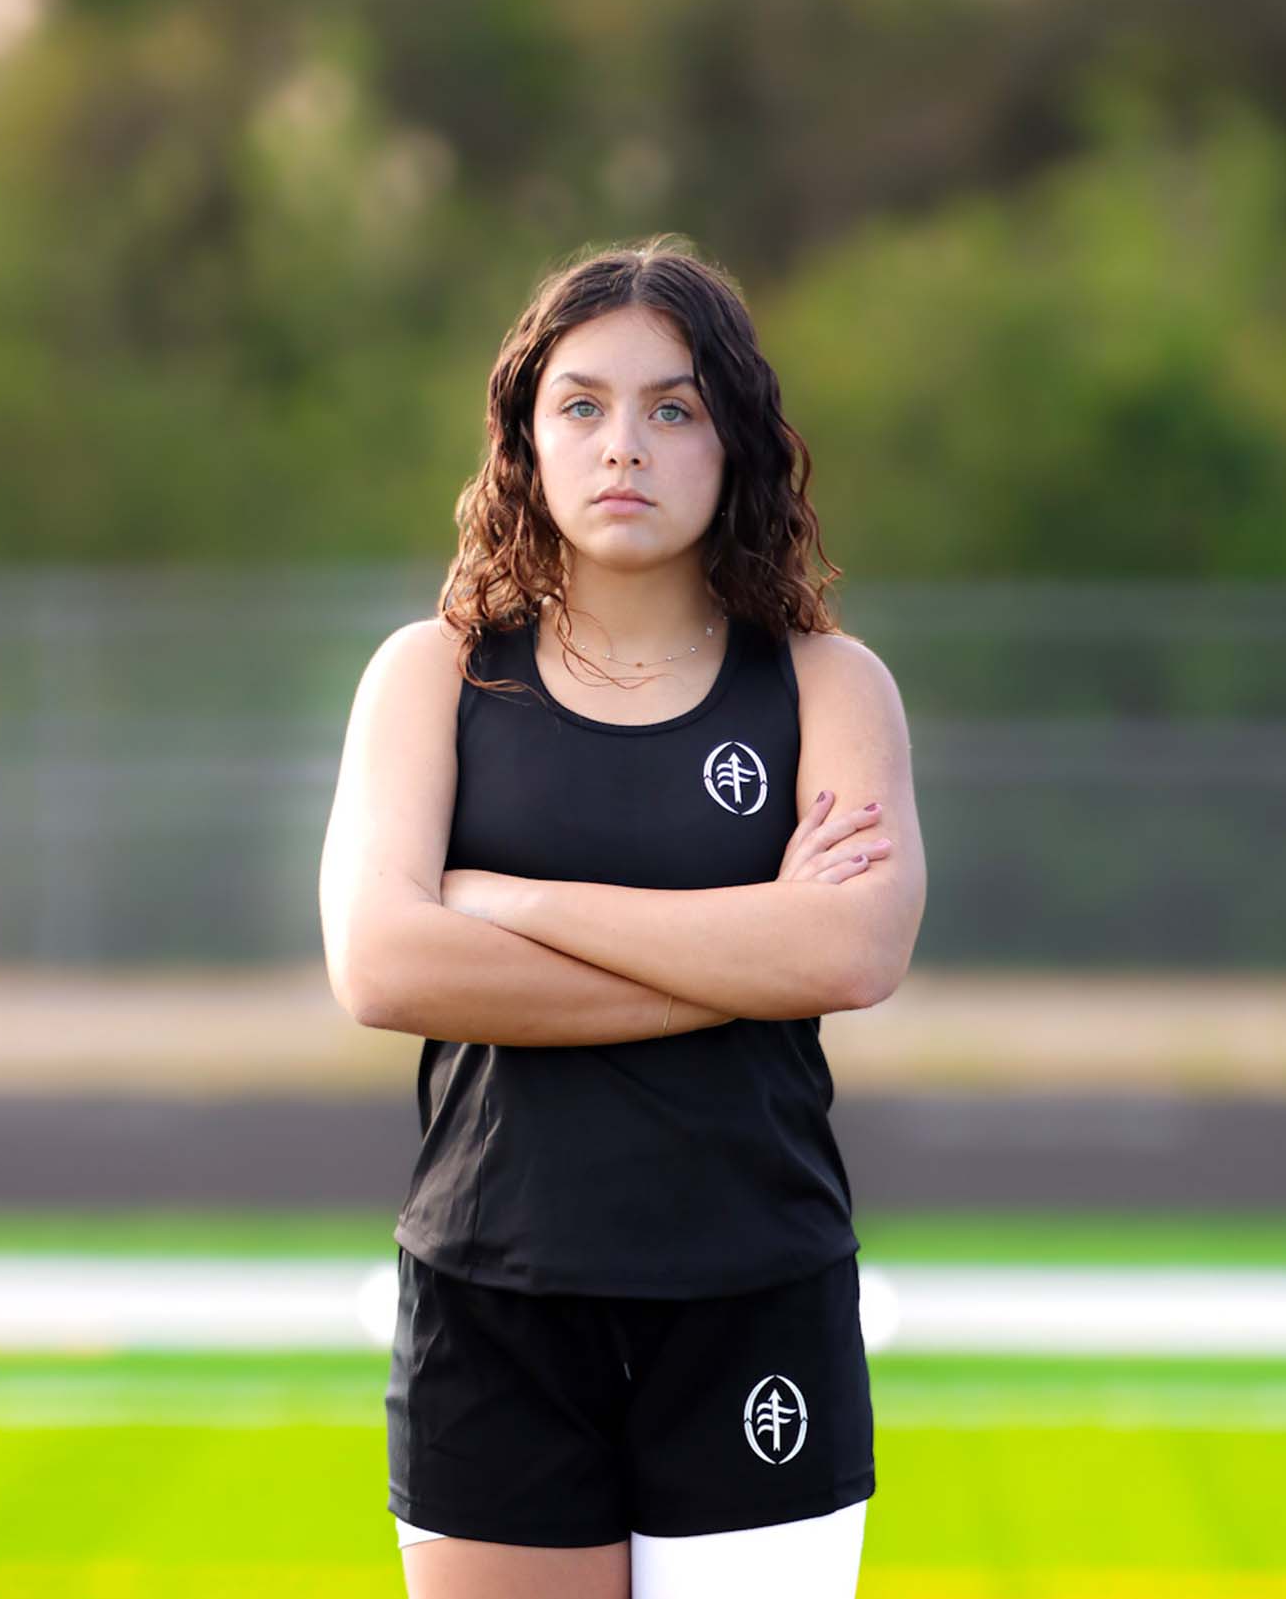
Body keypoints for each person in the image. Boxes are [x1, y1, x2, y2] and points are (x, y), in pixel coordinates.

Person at [319, 235, 927, 1599]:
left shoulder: (831, 687)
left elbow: (851, 949)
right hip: (496, 1295)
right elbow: (382, 961)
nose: (625, 445)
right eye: (582, 405)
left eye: (674, 407)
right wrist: (746, 948)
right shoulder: (435, 675)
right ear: (526, 441)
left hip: (754, 1290)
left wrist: (514, 902)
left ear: (736, 441)